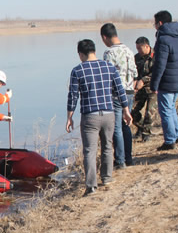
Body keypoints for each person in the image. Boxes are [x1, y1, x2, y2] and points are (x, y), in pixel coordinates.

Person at [66, 39, 132, 196]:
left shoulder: (77, 71)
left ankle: (91, 186)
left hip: (90, 116)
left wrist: (69, 116)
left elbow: (73, 96)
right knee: (107, 146)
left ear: (81, 54)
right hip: (109, 114)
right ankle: (107, 178)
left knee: (89, 151)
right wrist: (126, 110)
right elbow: (120, 90)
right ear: (94, 51)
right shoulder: (109, 66)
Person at [101, 23, 138, 168]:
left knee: (116, 128)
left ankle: (120, 160)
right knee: (126, 125)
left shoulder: (109, 53)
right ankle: (128, 158)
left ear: (105, 37)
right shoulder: (128, 50)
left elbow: (106, 76)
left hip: (116, 94)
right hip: (130, 92)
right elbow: (135, 73)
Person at [150, 10, 178, 151]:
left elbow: (160, 64)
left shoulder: (164, 39)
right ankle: (176, 135)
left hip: (167, 81)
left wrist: (154, 84)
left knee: (165, 111)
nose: (155, 26)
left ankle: (170, 140)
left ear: (160, 23)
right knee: (171, 108)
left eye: (155, 23)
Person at [132, 36, 157, 142]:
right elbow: (133, 72)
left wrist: (143, 80)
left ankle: (146, 133)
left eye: (139, 48)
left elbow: (157, 72)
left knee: (149, 112)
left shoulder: (157, 56)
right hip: (140, 89)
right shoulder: (137, 58)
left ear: (147, 46)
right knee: (131, 110)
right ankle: (142, 128)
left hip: (153, 88)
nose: (138, 51)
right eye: (137, 48)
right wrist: (134, 82)